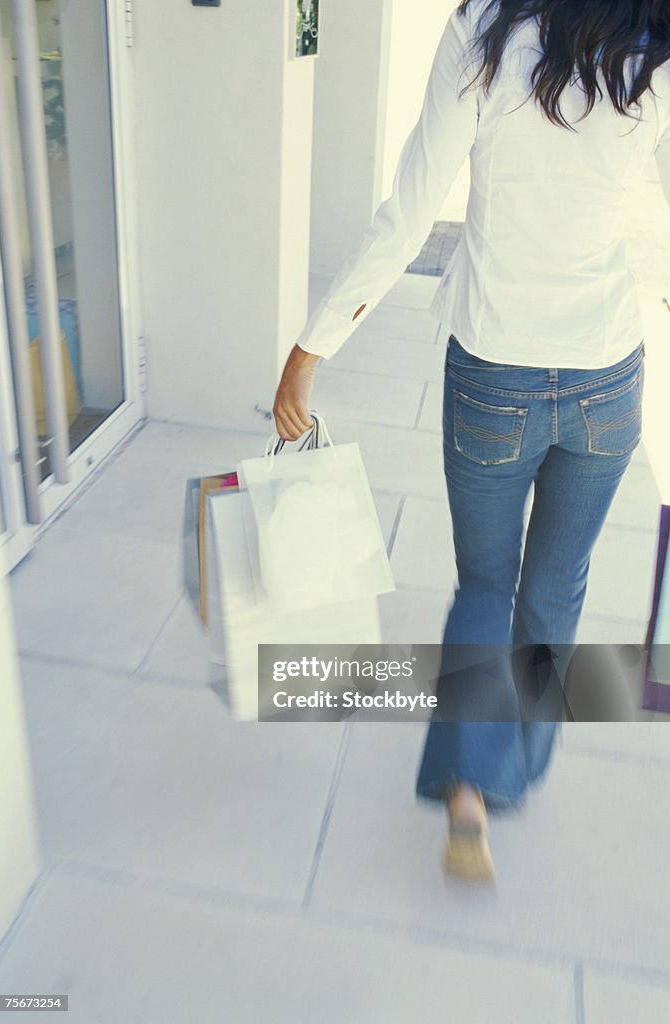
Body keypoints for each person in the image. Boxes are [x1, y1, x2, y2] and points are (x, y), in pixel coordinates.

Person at [272, 0, 670, 883]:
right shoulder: (654, 42)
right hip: (609, 378)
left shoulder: (488, 30)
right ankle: (510, 767)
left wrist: (311, 350)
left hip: (495, 375)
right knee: (555, 591)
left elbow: (408, 214)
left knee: (486, 585)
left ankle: (468, 789)